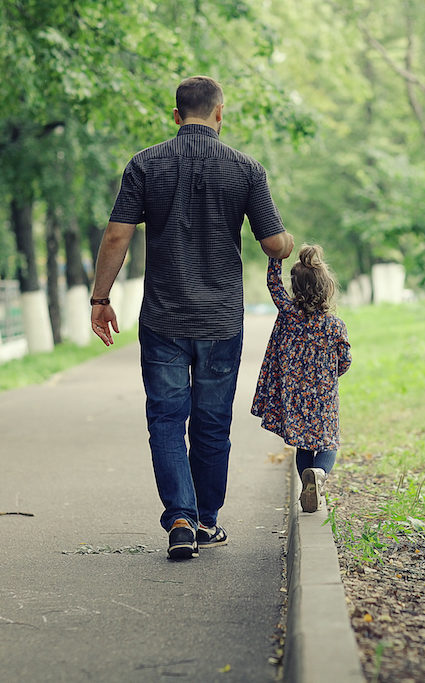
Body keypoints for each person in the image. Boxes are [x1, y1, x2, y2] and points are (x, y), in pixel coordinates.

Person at [89, 76, 295, 561]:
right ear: (219, 114)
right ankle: (206, 520)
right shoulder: (246, 169)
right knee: (211, 423)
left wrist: (101, 298)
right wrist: (286, 245)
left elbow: (117, 236)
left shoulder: (144, 164)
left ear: (176, 115)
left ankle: (179, 519)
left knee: (165, 419)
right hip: (221, 319)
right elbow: (273, 243)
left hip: (163, 317)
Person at [251, 245, 351, 513]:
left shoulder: (289, 314)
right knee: (329, 442)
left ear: (295, 289)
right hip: (324, 396)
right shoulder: (334, 325)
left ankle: (308, 481)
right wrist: (331, 374)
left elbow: (273, 283)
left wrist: (276, 251)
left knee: (303, 444)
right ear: (327, 288)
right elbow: (345, 361)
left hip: (295, 396)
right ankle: (319, 474)